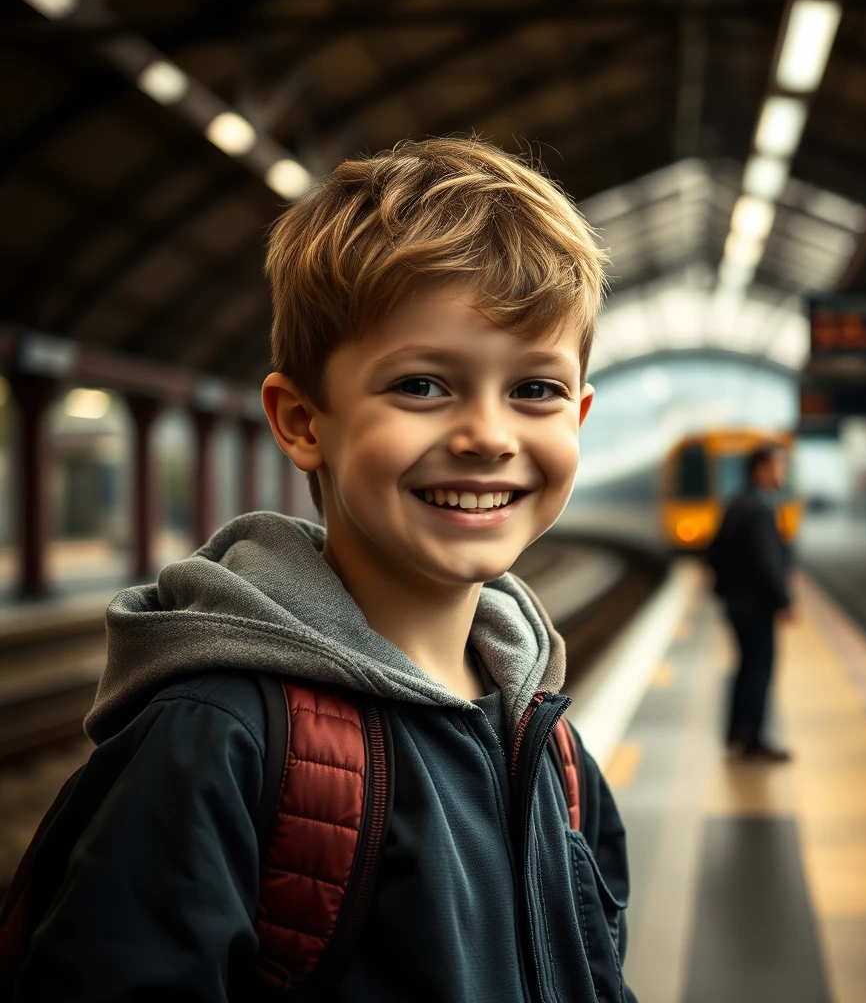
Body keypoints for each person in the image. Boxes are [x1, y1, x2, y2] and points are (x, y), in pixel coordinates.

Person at [11, 138, 637, 1002]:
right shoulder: (217, 739)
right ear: (303, 420)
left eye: (536, 390)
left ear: (582, 415)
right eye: (422, 386)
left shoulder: (554, 753)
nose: (490, 435)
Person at [707, 444, 794, 762]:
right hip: (756, 606)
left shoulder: (738, 502)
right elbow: (767, 561)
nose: (781, 473)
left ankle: (736, 732)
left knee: (745, 668)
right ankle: (754, 740)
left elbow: (715, 551)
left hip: (738, 603)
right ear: (761, 469)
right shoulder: (760, 507)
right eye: (777, 466)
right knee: (759, 670)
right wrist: (785, 600)